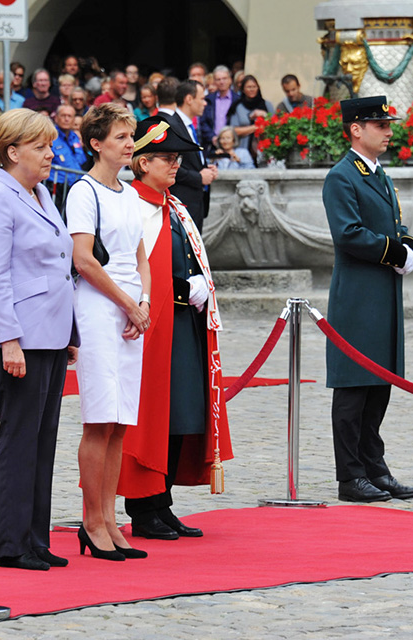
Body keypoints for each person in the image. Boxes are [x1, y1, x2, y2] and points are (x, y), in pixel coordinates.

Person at [0, 109, 78, 571]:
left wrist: (69, 332)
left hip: (50, 334)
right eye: (40, 147)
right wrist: (9, 339)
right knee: (19, 439)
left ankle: (36, 536)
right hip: (18, 336)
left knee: (44, 439)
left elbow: (58, 265)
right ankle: (11, 542)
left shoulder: (38, 194)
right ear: (12, 151)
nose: (50, 154)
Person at [119, 115, 233, 540]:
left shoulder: (175, 207)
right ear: (143, 162)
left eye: (176, 159)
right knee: (150, 416)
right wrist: (181, 285)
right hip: (151, 327)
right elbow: (130, 268)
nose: (176, 166)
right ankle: (142, 508)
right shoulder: (132, 205)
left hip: (183, 325)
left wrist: (199, 284)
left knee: (179, 416)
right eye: (167, 158)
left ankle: (162, 501)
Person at [322, 95, 413, 504]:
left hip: (381, 293)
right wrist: (394, 251)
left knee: (379, 384)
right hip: (358, 296)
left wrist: (407, 243)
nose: (388, 130)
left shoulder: (378, 173)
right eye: (380, 125)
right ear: (356, 130)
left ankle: (374, 469)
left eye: (388, 124)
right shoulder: (342, 176)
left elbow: (393, 221)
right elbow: (347, 233)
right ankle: (350, 477)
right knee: (353, 388)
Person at [68, 103, 151, 562]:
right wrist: (126, 304)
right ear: (97, 143)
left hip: (129, 309)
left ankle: (111, 515)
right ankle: (91, 519)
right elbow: (84, 260)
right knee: (99, 418)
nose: (128, 144)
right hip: (100, 307)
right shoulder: (84, 192)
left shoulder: (130, 193)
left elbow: (141, 258)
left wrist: (144, 304)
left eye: (130, 136)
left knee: (120, 423)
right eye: (120, 136)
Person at [162, 80, 217, 231]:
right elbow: (166, 164)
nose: (205, 103)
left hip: (196, 202)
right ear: (189, 99)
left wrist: (207, 169)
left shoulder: (189, 125)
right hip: (181, 202)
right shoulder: (172, 124)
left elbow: (190, 161)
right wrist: (199, 177)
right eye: (202, 98)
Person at [200, 65, 239, 156]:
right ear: (214, 81)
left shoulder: (238, 100)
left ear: (230, 80)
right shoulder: (208, 100)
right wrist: (212, 137)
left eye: (224, 78)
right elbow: (203, 121)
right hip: (212, 144)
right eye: (218, 79)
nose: (222, 82)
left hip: (233, 145)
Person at [49, 103, 87, 196]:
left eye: (69, 116)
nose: (66, 119)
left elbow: (81, 159)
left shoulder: (75, 137)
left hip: (75, 185)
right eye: (63, 116)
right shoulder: (50, 136)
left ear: (74, 119)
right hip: (56, 186)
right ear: (56, 118)